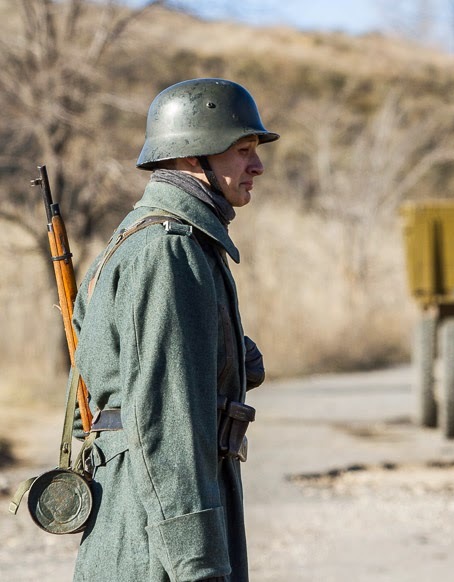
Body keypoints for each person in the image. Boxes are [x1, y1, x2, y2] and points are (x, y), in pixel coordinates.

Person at [70, 78, 277, 582]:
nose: (257, 166)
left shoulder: (150, 241)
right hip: (156, 544)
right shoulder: (168, 252)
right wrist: (198, 565)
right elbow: (166, 424)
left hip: (139, 525)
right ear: (192, 158)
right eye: (241, 150)